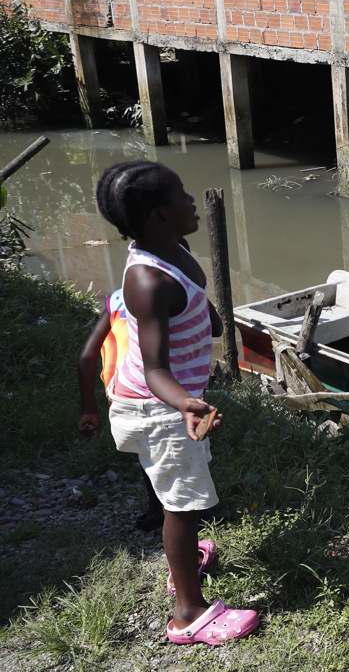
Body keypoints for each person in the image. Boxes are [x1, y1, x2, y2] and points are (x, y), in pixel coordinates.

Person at [94, 160, 259, 646]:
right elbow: (154, 368)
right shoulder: (148, 281)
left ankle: (183, 559)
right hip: (158, 406)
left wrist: (205, 315)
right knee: (181, 506)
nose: (192, 201)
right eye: (181, 195)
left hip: (170, 404)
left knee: (179, 500)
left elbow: (196, 304)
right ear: (157, 216)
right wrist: (186, 404)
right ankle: (188, 613)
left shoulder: (175, 249)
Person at [76, 287, 165, 532]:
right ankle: (178, 512)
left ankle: (156, 509)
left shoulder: (118, 297)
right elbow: (215, 328)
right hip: (160, 391)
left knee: (145, 450)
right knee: (171, 449)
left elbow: (87, 356)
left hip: (120, 391)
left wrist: (88, 409)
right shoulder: (175, 293)